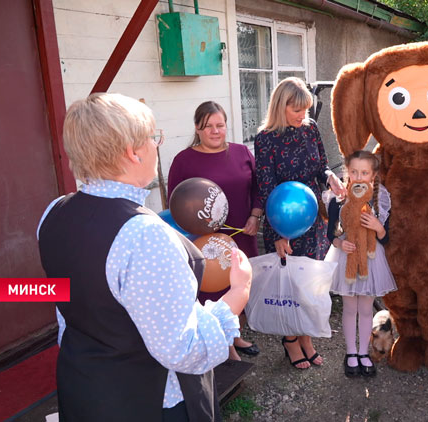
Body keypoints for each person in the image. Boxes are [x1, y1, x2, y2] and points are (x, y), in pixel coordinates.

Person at [37, 93, 252, 421]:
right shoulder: (144, 235)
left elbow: (67, 306)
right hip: (148, 402)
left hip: (83, 388)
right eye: (153, 138)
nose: (156, 146)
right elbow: (184, 351)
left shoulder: (53, 212)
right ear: (132, 152)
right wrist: (238, 293)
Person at [254, 77, 346, 369]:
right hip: (283, 221)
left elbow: (321, 166)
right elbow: (266, 186)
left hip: (314, 217)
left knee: (311, 282)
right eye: (297, 110)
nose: (302, 116)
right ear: (281, 106)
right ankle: (290, 340)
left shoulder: (310, 128)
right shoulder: (266, 138)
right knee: (291, 285)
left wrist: (330, 177)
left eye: (305, 110)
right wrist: (281, 233)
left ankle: (306, 335)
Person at [168, 101, 261, 360]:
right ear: (197, 128)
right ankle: (226, 348)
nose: (215, 131)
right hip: (205, 241)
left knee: (240, 284)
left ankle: (235, 335)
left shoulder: (242, 152)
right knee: (214, 289)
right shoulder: (184, 161)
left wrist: (255, 215)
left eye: (220, 125)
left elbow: (257, 189)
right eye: (208, 126)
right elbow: (174, 202)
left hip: (241, 232)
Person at [325, 150, 397, 378]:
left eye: (364, 172)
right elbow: (330, 233)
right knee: (350, 309)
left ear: (373, 176)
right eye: (354, 172)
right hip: (347, 258)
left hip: (372, 260)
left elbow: (385, 238)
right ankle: (351, 353)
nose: (359, 176)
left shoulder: (380, 199)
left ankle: (364, 353)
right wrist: (339, 242)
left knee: (366, 310)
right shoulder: (339, 199)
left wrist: (378, 227)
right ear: (347, 172)